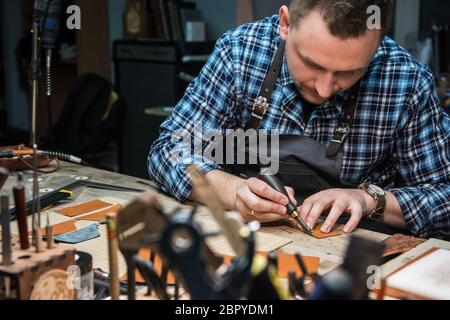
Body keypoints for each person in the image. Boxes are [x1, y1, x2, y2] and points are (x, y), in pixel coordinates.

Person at [148, 0, 450, 239]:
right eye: (311, 64)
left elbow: (443, 198)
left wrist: (370, 200)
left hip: (348, 259)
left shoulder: (406, 81)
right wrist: (232, 191)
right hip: (246, 242)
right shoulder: (239, 52)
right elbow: (168, 150)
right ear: (285, 23)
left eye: (349, 72)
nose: (324, 88)